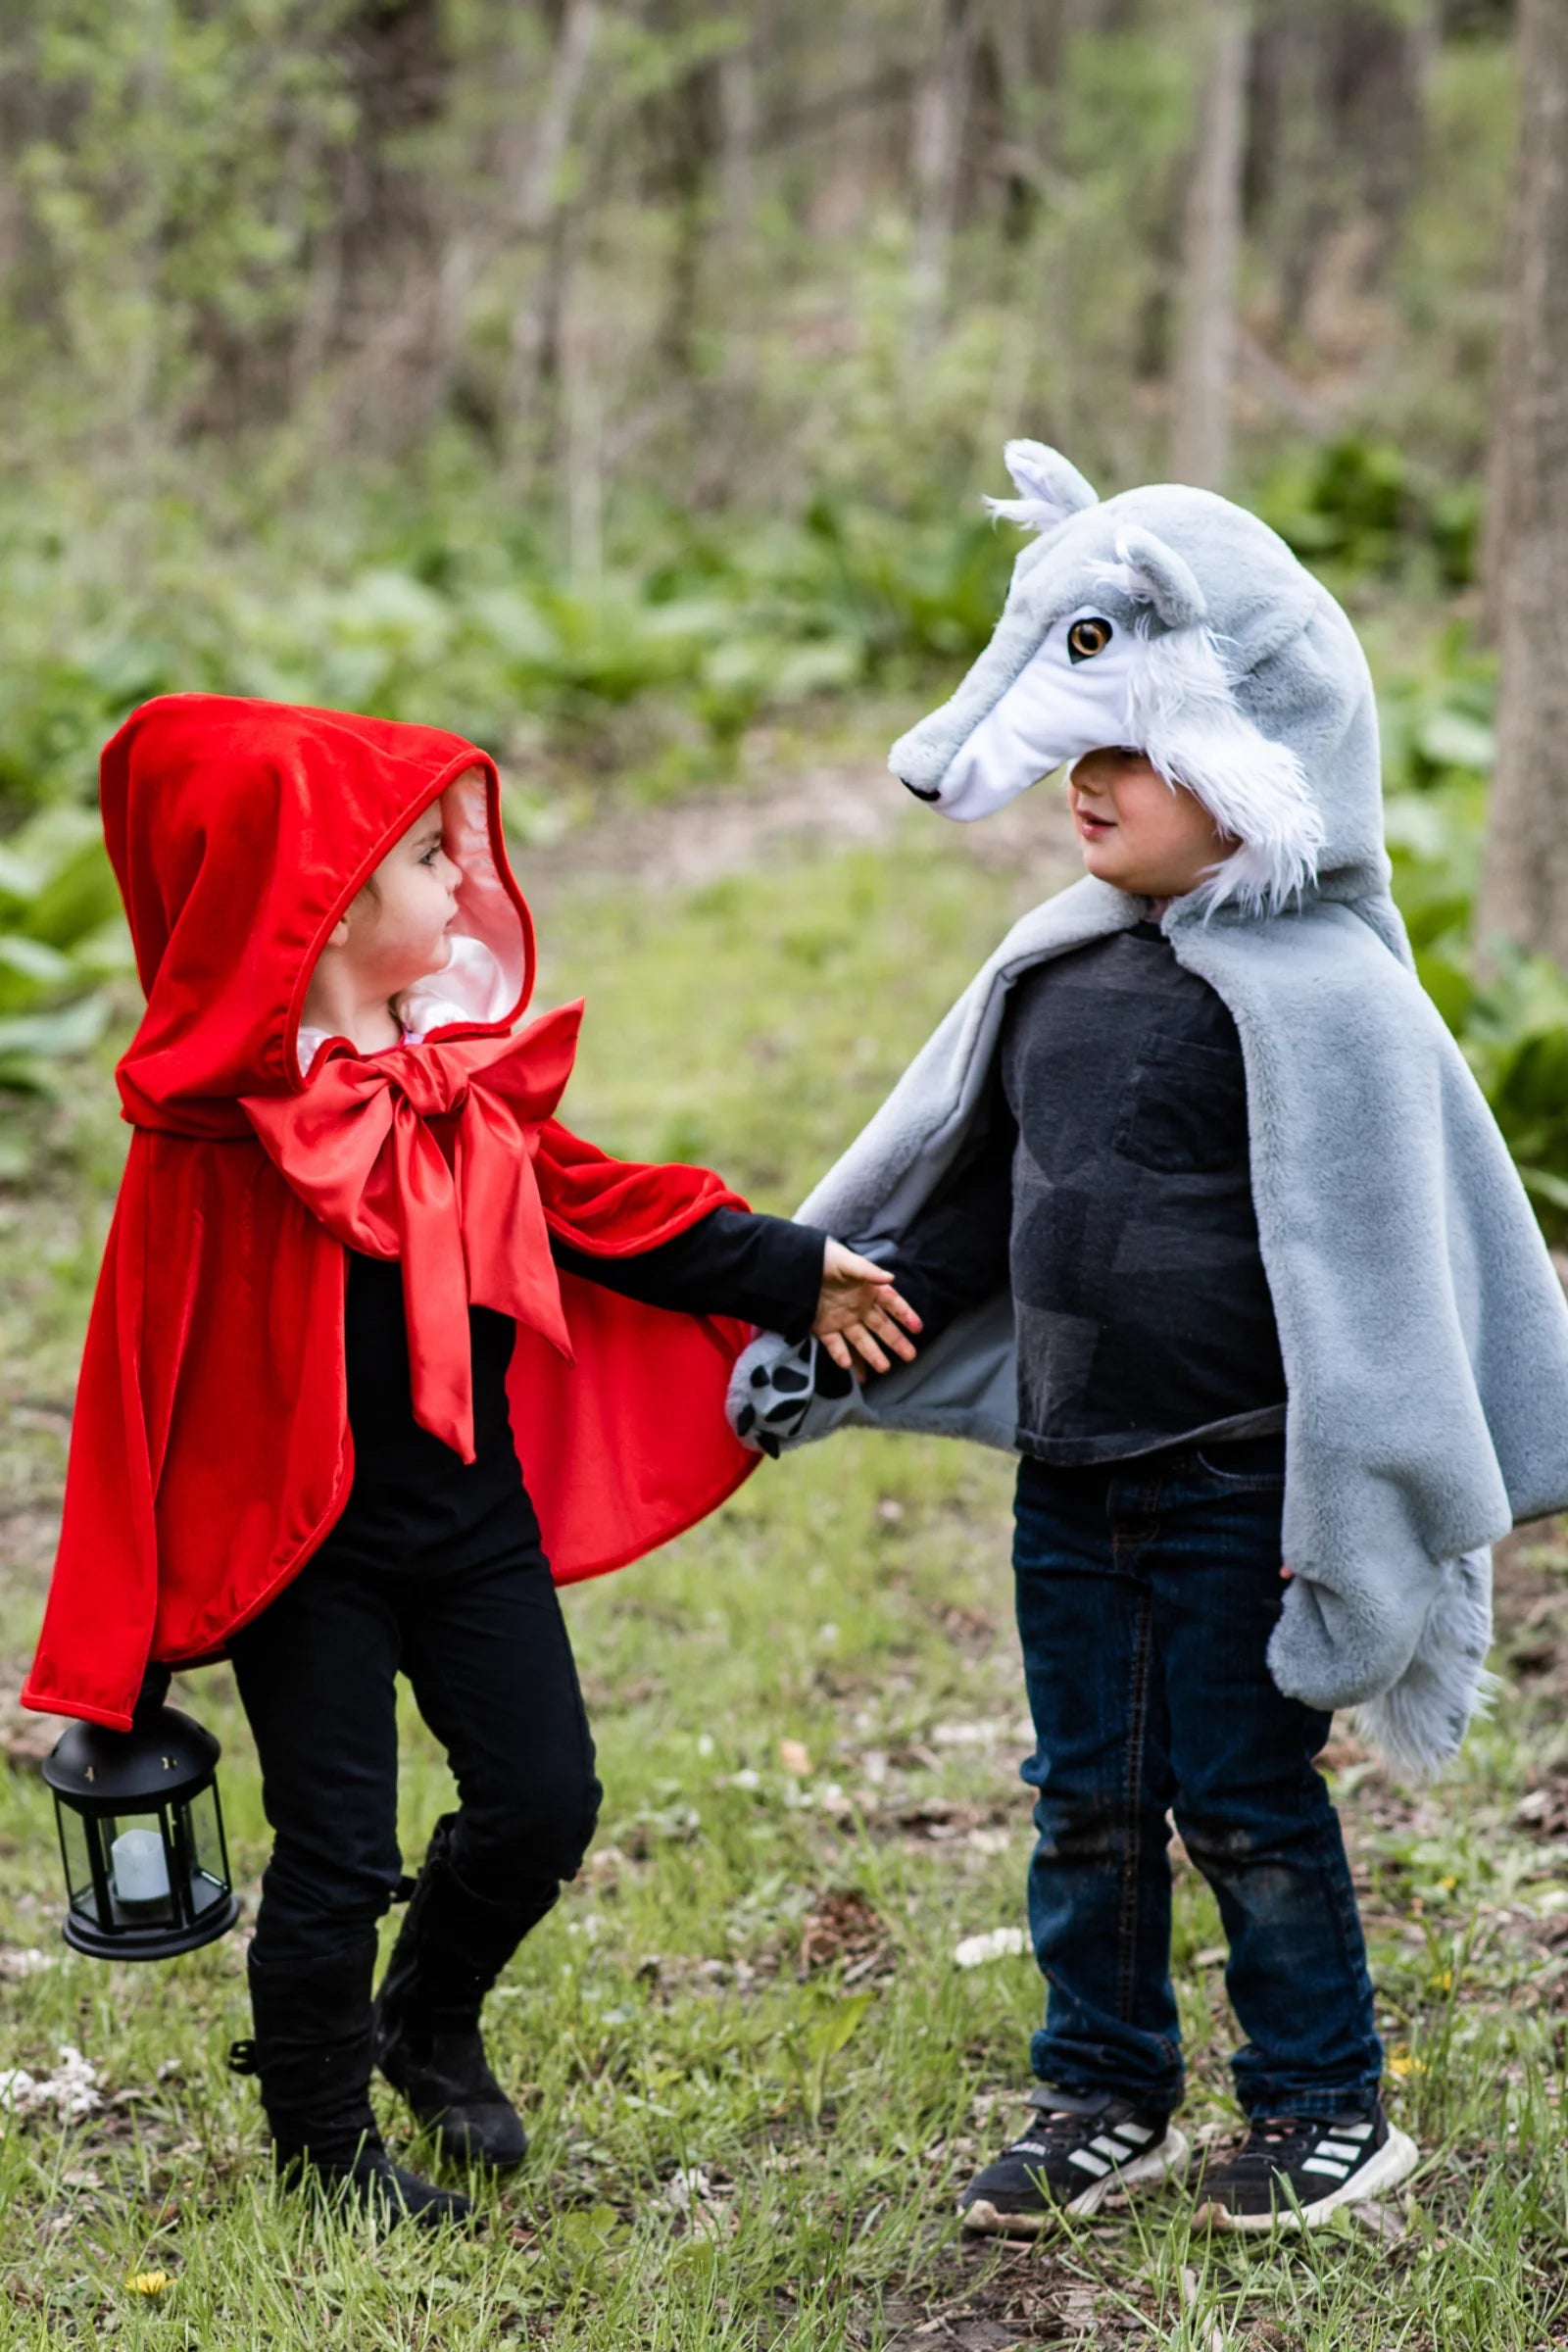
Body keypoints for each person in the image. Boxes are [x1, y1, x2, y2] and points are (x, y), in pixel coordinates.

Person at [728, 445, 1568, 2233]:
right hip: (1072, 1470)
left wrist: (1351, 1507)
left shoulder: (1338, 1000)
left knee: (1245, 1797)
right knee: (1084, 1800)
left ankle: (1327, 2103)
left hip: (1241, 1486)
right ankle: (1106, 2088)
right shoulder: (1056, 965)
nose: (1086, 782)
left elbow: (1384, 1277)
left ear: (1253, 760)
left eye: (1132, 751)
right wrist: (841, 1309)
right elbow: (966, 1191)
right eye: (1077, 750)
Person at [22, 694, 919, 2228]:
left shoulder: (448, 1067)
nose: (464, 882)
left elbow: (595, 1206)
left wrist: (787, 1269)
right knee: (336, 1857)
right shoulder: (213, 1137)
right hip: (309, 1549)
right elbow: (146, 1388)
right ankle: (324, 2159)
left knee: (544, 1798)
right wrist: (126, 1656)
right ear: (324, 904)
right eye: (430, 860)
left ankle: (426, 2017)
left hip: (469, 1509)